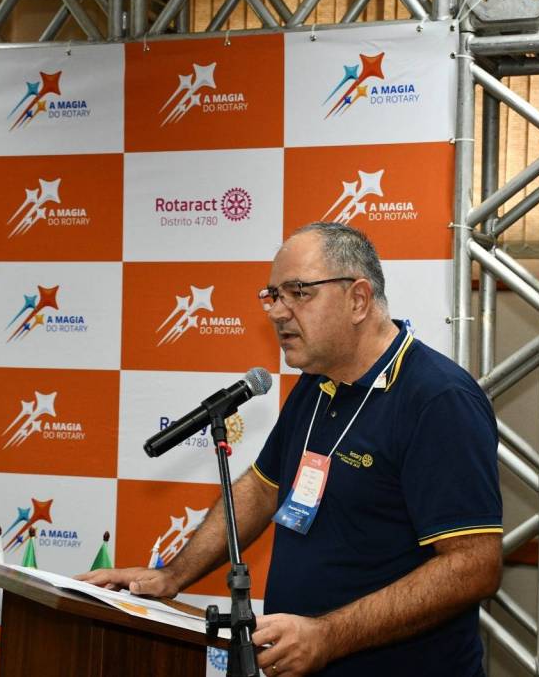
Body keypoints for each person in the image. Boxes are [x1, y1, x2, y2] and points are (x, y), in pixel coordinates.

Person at [81, 223, 503, 676]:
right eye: (272, 296)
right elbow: (263, 489)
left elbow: (472, 565)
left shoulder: (437, 398)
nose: (277, 312)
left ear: (358, 300)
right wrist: (172, 576)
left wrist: (329, 635)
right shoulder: (317, 385)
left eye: (298, 293)